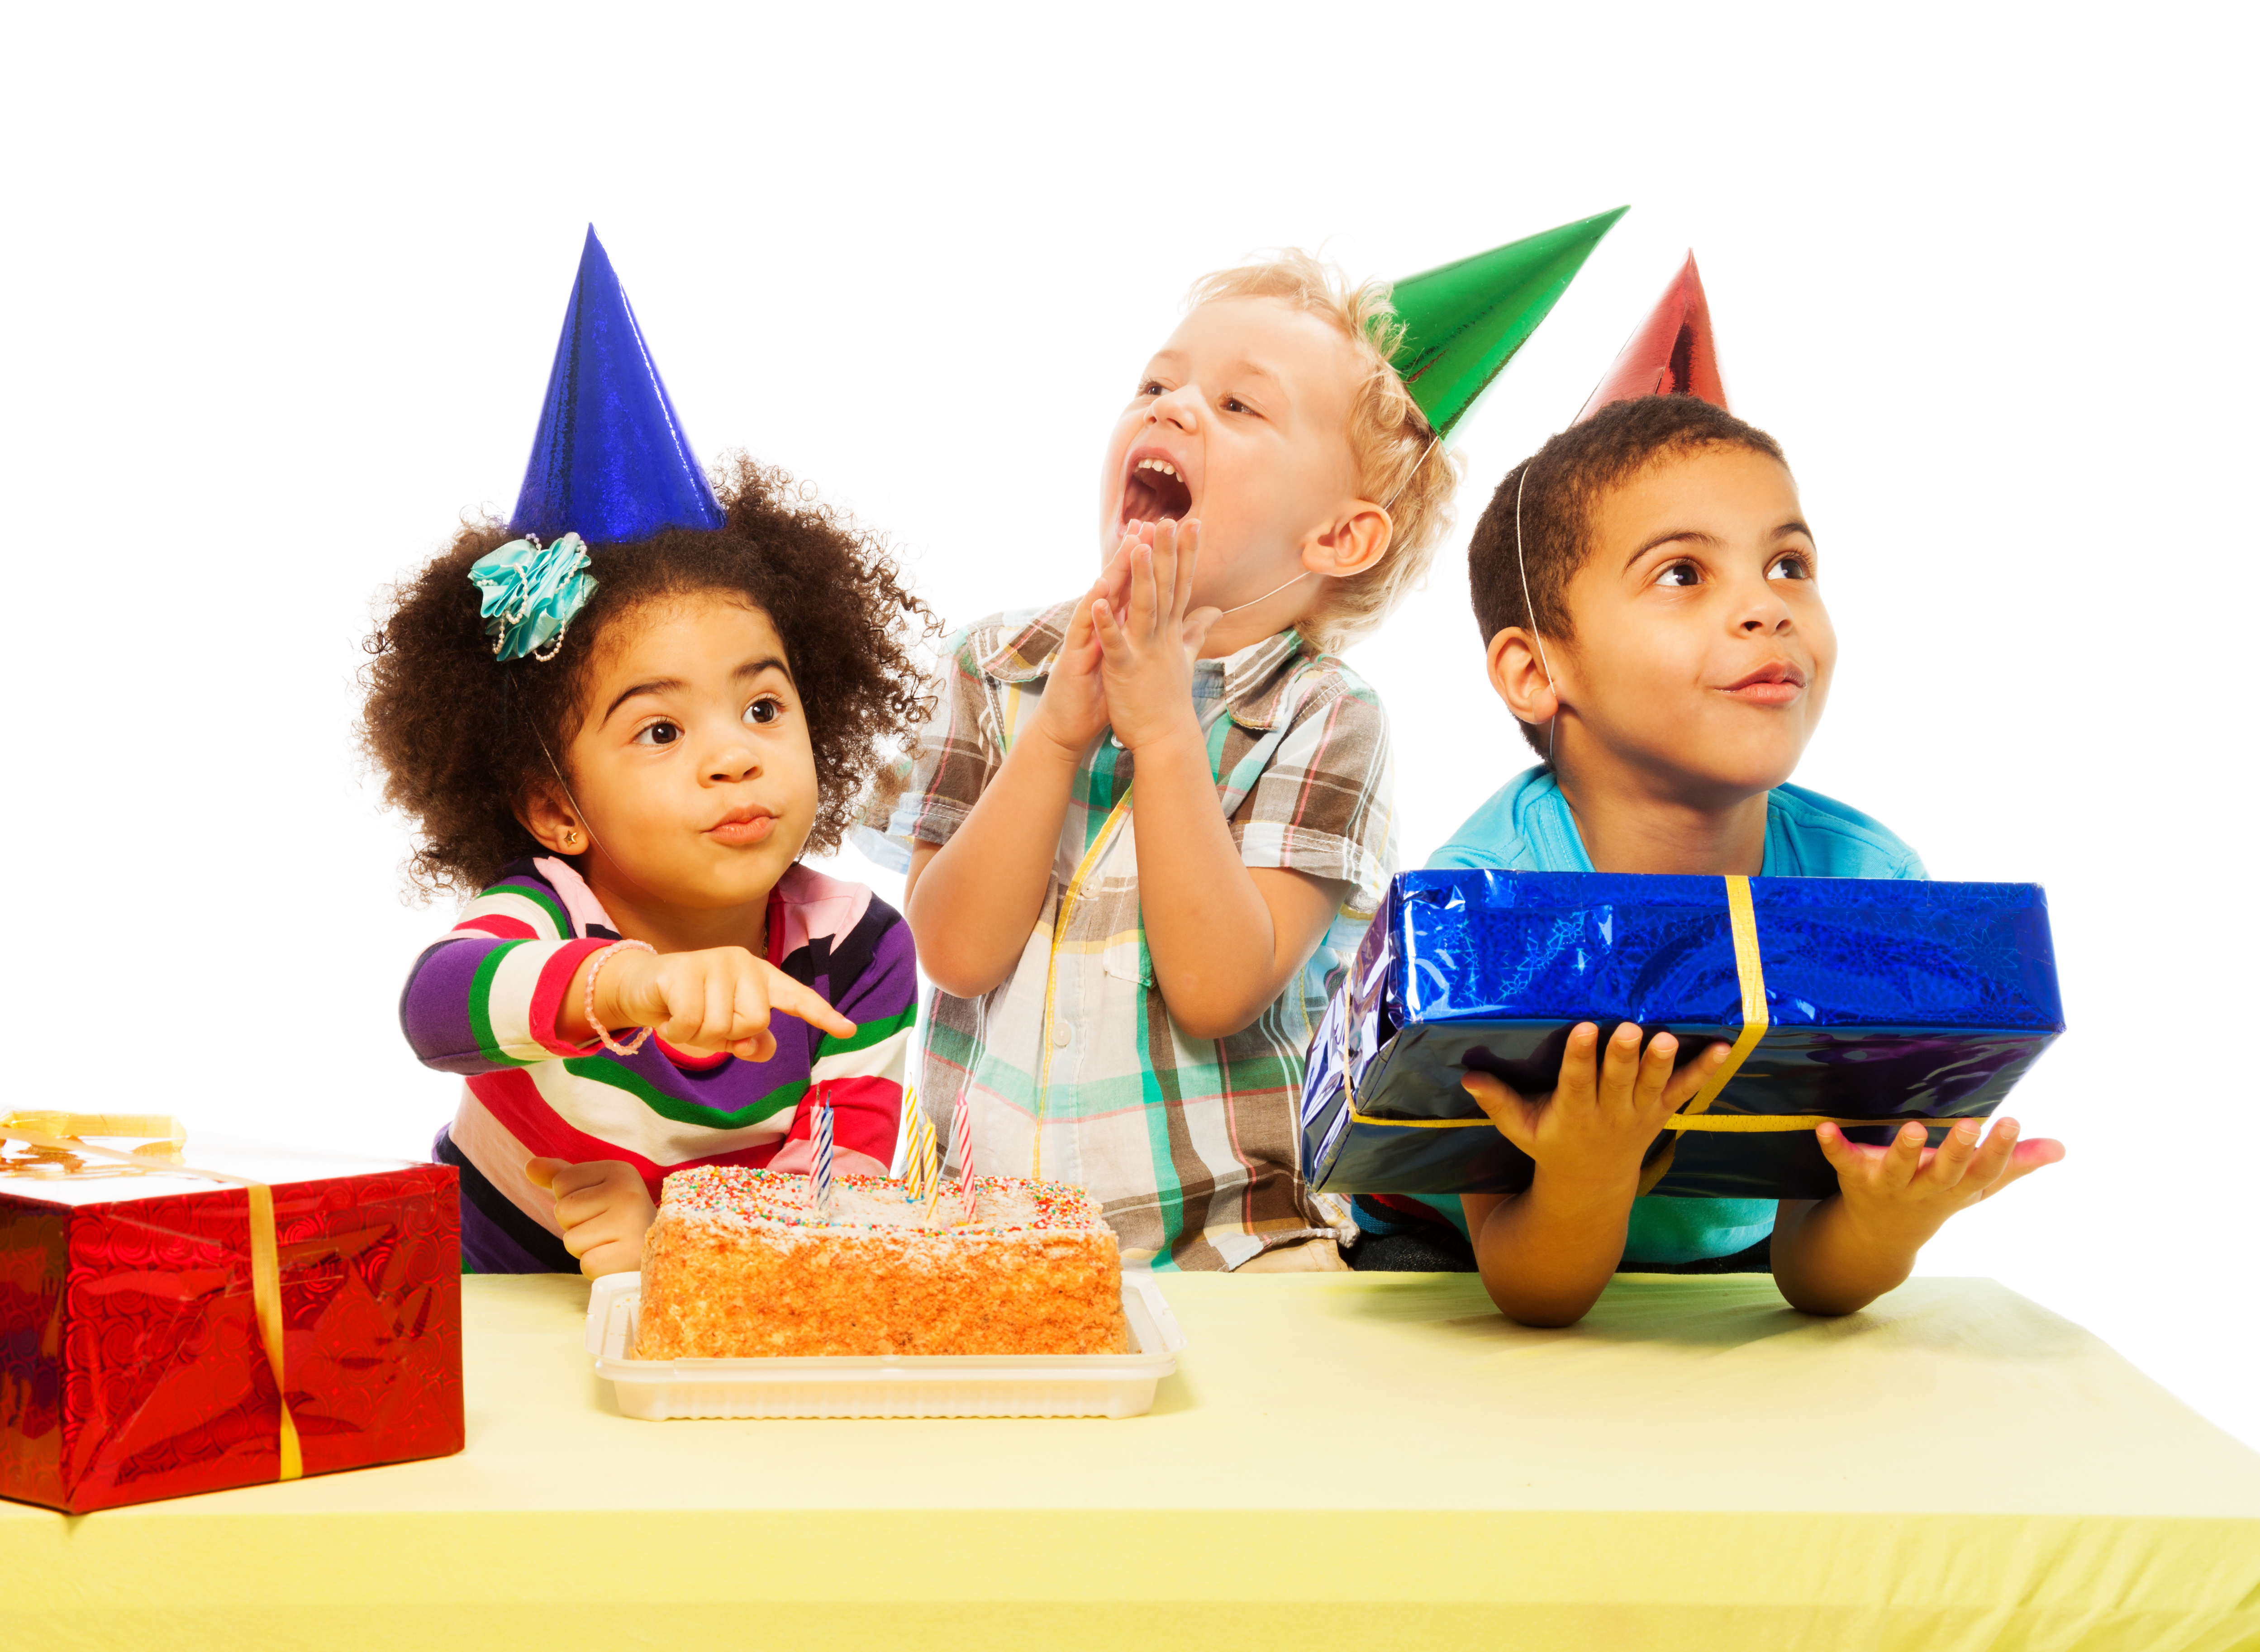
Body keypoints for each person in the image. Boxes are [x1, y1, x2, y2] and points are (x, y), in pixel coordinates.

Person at [861, 252, 1461, 1271]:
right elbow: (952, 951)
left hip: (1235, 1243)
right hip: (981, 1244)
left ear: (1338, 535)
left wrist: (1165, 734)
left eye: (1237, 405)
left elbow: (1219, 983)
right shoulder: (999, 667)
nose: (1174, 406)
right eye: (1155, 384)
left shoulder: (1323, 717)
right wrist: (1058, 733)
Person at [1418, 393, 2063, 1324]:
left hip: (1729, 1262)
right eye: (1682, 573)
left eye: (1787, 565)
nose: (1765, 607)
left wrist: (1887, 1218)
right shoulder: (1487, 909)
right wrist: (1590, 1168)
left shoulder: (1869, 890)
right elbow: (1533, 1291)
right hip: (1470, 1261)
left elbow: (1812, 1274)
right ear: (1536, 672)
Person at [365, 455, 933, 1274]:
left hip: (710, 1331)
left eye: (762, 708)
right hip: (484, 1312)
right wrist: (634, 986)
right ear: (559, 811)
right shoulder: (545, 911)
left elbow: (838, 1210)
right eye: (662, 731)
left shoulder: (857, 951)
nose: (735, 755)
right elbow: (437, 1007)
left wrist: (667, 1250)